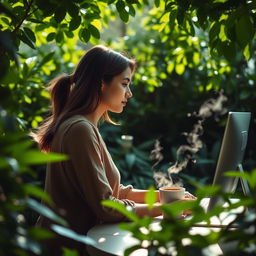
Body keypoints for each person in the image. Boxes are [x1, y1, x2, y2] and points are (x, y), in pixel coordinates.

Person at [31, 45, 165, 256]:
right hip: (66, 249)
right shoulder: (79, 129)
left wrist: (163, 197)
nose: (129, 94)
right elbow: (106, 206)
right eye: (124, 84)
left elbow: (112, 191)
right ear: (101, 83)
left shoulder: (83, 126)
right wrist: (164, 211)